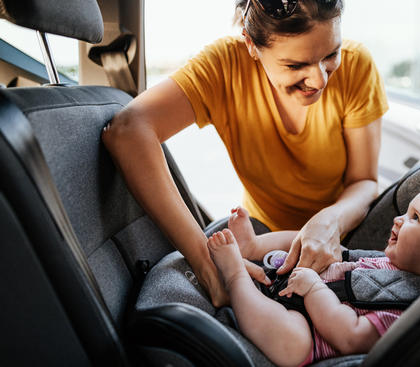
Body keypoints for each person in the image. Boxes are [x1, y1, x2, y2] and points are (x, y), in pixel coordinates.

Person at [102, 0, 388, 307]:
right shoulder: (224, 66)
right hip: (266, 234)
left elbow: (364, 181)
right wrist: (207, 266)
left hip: (346, 228)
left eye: (331, 54)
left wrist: (329, 222)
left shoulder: (358, 65)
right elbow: (128, 130)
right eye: (295, 65)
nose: (320, 80)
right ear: (251, 44)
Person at [207, 184, 420, 366]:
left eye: (415, 219)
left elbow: (351, 337)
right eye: (407, 212)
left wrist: (314, 290)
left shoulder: (410, 308)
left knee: (291, 345)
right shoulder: (390, 263)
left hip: (312, 331)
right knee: (316, 241)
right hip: (302, 281)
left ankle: (234, 277)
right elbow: (345, 263)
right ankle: (253, 246)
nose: (398, 219)